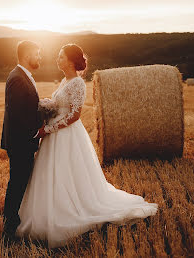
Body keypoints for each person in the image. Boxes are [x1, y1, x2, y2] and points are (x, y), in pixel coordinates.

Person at [16, 44, 158, 248]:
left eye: (61, 56)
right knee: (51, 174)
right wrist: (47, 108)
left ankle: (69, 211)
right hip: (55, 134)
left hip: (67, 136)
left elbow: (74, 116)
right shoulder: (65, 81)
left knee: (67, 173)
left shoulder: (78, 84)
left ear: (72, 61)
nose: (58, 59)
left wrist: (48, 129)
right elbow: (60, 107)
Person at [0, 40, 43, 241]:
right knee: (17, 182)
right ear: (27, 55)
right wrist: (36, 131)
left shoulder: (22, 75)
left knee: (19, 181)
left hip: (21, 140)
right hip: (20, 141)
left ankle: (13, 219)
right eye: (37, 53)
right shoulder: (18, 78)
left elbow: (27, 108)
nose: (39, 57)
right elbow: (17, 113)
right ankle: (10, 225)